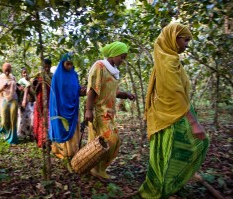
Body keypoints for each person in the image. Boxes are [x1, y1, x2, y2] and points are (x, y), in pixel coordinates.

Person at [138, 23, 209, 198]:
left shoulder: (168, 60)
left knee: (168, 151)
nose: (186, 45)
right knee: (179, 149)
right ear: (173, 38)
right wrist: (194, 122)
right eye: (185, 40)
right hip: (172, 115)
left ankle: (170, 183)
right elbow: (175, 93)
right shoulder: (168, 62)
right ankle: (165, 187)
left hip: (171, 113)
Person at [85, 41, 135, 181]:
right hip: (99, 112)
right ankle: (96, 168)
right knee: (110, 140)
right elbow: (92, 90)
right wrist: (89, 110)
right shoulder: (100, 66)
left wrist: (126, 95)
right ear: (113, 54)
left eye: (124, 57)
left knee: (115, 142)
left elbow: (114, 91)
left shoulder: (113, 72)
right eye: (121, 56)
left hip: (109, 113)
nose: (122, 60)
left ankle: (100, 168)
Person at [49, 53, 86, 160]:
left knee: (74, 128)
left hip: (73, 107)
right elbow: (55, 96)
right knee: (63, 128)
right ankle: (64, 152)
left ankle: (73, 151)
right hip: (61, 108)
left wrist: (81, 89)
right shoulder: (57, 76)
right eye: (67, 64)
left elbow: (76, 89)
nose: (69, 66)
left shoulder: (74, 75)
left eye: (71, 64)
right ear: (62, 63)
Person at [0, 63, 18, 145]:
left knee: (13, 119)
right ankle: (6, 135)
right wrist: (3, 87)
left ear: (11, 69)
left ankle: (13, 139)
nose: (7, 71)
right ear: (3, 69)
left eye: (9, 70)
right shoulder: (0, 78)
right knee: (4, 120)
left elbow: (15, 88)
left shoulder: (13, 77)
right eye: (5, 70)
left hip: (14, 99)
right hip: (4, 100)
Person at [32, 59, 52, 148]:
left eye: (48, 67)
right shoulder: (38, 76)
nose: (47, 69)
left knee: (47, 120)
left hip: (50, 101)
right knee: (40, 120)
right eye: (45, 67)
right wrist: (35, 84)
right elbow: (33, 91)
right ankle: (41, 140)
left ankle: (46, 140)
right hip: (40, 101)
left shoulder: (52, 76)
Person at [16, 68, 34, 139]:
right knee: (22, 118)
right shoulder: (20, 81)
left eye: (26, 72)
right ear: (22, 74)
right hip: (22, 102)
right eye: (23, 73)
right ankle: (21, 134)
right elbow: (18, 90)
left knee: (30, 118)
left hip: (30, 102)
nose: (25, 74)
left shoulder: (31, 80)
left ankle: (30, 133)